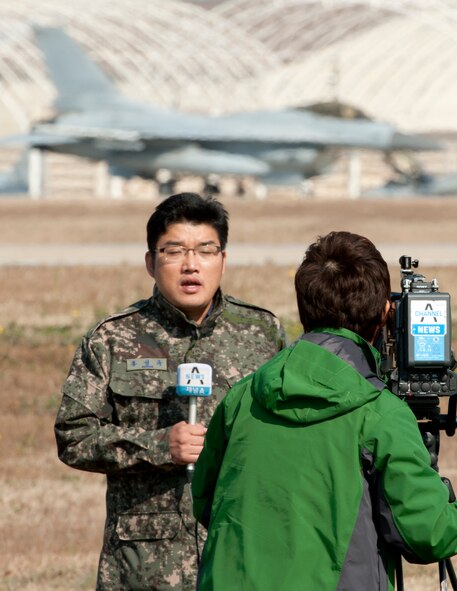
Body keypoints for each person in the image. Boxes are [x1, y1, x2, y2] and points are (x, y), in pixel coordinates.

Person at [192, 230, 457, 590]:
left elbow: (206, 502)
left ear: (304, 306)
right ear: (386, 315)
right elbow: (426, 533)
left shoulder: (242, 397)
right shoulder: (381, 414)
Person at [54, 192, 285, 590]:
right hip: (145, 566)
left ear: (223, 260)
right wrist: (161, 446)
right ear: (151, 262)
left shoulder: (263, 334)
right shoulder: (113, 338)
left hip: (240, 553)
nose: (191, 265)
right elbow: (73, 435)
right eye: (174, 251)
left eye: (205, 251)